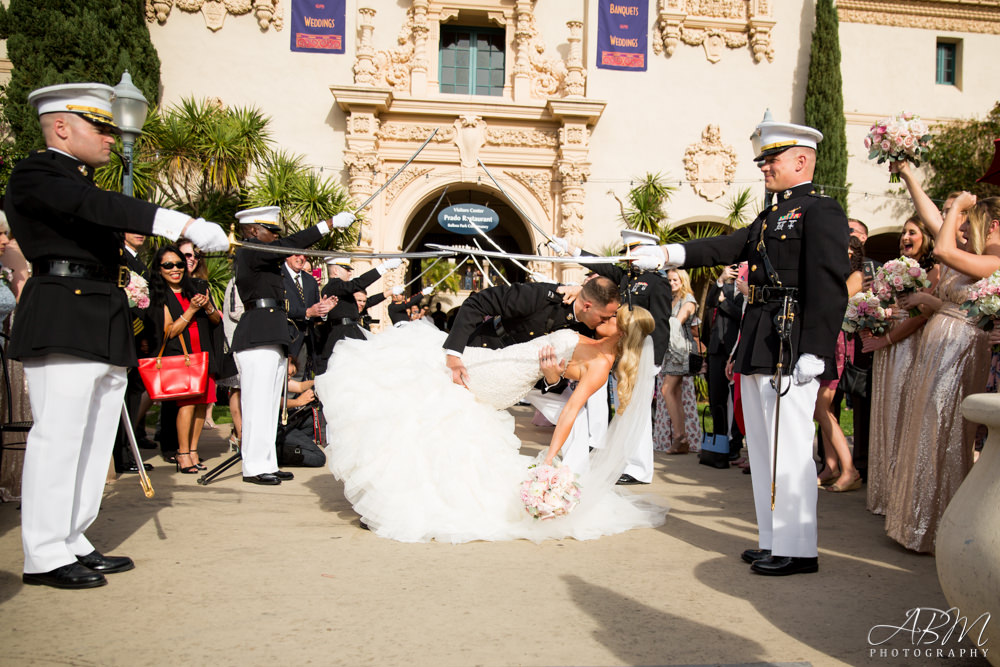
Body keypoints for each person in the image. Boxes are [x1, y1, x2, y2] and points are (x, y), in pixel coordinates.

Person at [7, 82, 228, 589]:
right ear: (61, 126)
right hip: (64, 311)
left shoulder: (79, 183)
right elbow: (95, 208)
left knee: (93, 437)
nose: (110, 138)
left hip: (100, 314)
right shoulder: (37, 173)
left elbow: (98, 208)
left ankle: (72, 538)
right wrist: (180, 220)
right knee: (59, 436)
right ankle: (43, 552)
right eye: (100, 127)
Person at [632, 116, 850, 576]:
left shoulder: (820, 211)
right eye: (764, 160)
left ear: (801, 160)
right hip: (760, 337)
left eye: (771, 160)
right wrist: (670, 254)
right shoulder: (771, 214)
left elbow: (830, 286)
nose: (764, 168)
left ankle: (799, 548)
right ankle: (773, 538)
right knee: (764, 446)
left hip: (791, 341)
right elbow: (731, 245)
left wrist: (816, 349)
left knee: (790, 446)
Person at [315, 305, 668, 542]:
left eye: (609, 318)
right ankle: (385, 498)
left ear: (619, 331)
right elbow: (555, 376)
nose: (600, 318)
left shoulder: (601, 365)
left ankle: (391, 504)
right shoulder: (588, 337)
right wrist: (553, 373)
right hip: (491, 361)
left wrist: (549, 460)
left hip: (496, 383)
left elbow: (571, 409)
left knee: (419, 414)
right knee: (419, 417)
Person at [885, 193, 999, 552]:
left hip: (962, 350)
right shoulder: (977, 254)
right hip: (940, 349)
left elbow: (944, 248)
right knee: (928, 429)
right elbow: (937, 225)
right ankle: (915, 521)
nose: (960, 225)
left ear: (991, 225)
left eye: (968, 220)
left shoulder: (992, 258)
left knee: (945, 431)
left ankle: (937, 526)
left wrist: (956, 208)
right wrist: (906, 173)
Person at [232, 206, 354, 486]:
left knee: (270, 405)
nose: (275, 238)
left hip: (272, 335)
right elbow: (288, 246)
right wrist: (328, 224)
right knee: (257, 405)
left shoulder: (264, 258)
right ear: (252, 230)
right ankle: (252, 466)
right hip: (256, 335)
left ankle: (267, 463)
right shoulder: (249, 249)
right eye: (270, 232)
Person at [549, 229, 671, 484]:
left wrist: (655, 360)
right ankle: (629, 463)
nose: (627, 257)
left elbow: (660, 323)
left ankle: (640, 468)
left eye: (632, 251)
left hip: (643, 353)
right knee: (625, 409)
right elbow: (601, 264)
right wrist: (571, 250)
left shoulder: (656, 282)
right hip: (625, 353)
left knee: (637, 411)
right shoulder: (627, 277)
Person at [860, 215, 936, 515]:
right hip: (888, 347)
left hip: (910, 346)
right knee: (886, 414)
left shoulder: (934, 271)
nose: (905, 237)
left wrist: (887, 338)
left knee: (904, 415)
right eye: (903, 232)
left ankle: (904, 496)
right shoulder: (891, 269)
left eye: (912, 232)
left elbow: (920, 315)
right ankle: (886, 492)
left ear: (926, 238)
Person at [443, 276, 621, 387]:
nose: (606, 322)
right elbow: (477, 303)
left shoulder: (584, 331)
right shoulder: (542, 297)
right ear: (588, 306)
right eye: (604, 317)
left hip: (515, 381)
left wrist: (553, 380)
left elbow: (557, 378)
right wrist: (454, 355)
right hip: (484, 351)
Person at [145, 245, 223, 473]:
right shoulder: (160, 295)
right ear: (159, 269)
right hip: (182, 357)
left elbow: (215, 321)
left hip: (203, 354)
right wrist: (190, 310)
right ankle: (182, 452)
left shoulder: (196, 287)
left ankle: (193, 450)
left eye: (179, 264)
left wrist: (207, 306)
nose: (175, 269)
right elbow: (168, 331)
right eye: (168, 265)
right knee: (187, 405)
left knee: (201, 406)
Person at [814, 236, 864, 492]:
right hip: (825, 341)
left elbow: (833, 301)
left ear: (853, 252)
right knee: (825, 408)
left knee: (821, 407)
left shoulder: (856, 275)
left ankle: (850, 470)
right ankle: (831, 466)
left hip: (839, 344)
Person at [111, 231, 155, 475]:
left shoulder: (136, 260)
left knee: (133, 394)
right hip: (124, 333)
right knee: (122, 395)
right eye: (132, 229)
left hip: (137, 335)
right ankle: (120, 454)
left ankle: (126, 450)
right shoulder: (120, 257)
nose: (139, 234)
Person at [314, 256, 401, 374]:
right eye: (346, 269)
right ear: (335, 271)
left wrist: (388, 292)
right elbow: (357, 284)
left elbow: (367, 302)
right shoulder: (333, 286)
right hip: (342, 334)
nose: (350, 273)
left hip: (351, 331)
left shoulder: (341, 289)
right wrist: (383, 267)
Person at [701, 262, 746, 463]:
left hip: (735, 350)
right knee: (716, 398)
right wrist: (720, 279)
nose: (736, 269)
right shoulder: (724, 287)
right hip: (716, 350)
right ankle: (719, 443)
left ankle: (735, 443)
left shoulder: (748, 291)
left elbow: (741, 315)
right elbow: (711, 302)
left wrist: (724, 303)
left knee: (735, 399)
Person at [656, 268, 699, 454]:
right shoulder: (670, 299)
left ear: (683, 281)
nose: (672, 283)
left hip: (680, 351)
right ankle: (681, 438)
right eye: (670, 280)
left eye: (676, 280)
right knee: (675, 393)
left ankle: (680, 437)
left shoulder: (688, 300)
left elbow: (677, 322)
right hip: (670, 351)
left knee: (666, 390)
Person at [283, 253, 334, 379]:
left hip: (306, 341)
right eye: (297, 255)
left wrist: (323, 311)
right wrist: (306, 312)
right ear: (287, 255)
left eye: (305, 256)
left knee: (299, 378)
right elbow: (279, 307)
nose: (301, 259)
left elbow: (314, 312)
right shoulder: (277, 276)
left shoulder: (310, 281)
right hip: (284, 339)